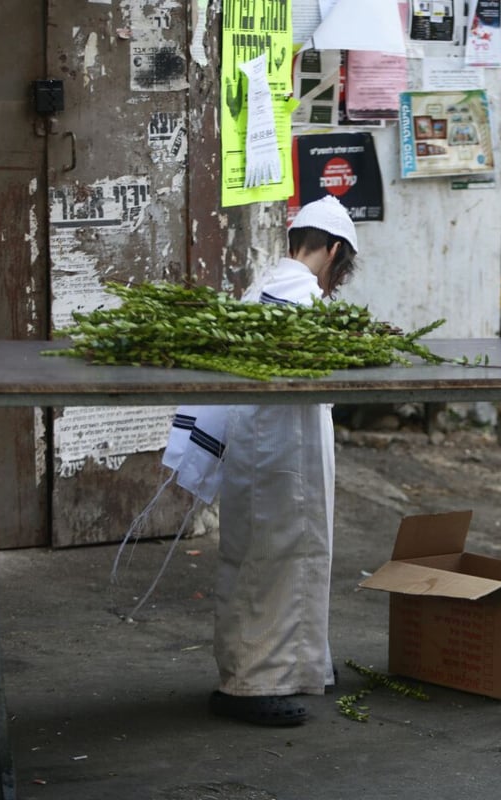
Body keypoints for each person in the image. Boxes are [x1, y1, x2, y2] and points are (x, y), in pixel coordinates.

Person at [167, 196, 359, 726]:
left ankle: (295, 664)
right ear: (335, 251)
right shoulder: (296, 291)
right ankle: (248, 684)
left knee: (284, 554)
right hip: (280, 450)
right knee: (271, 559)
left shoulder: (267, 283)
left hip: (275, 447)